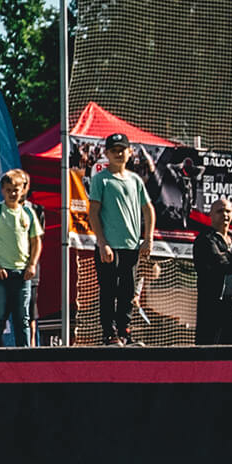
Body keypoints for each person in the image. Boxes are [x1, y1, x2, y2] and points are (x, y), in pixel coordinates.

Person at [85, 133, 155, 345]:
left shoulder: (135, 180)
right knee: (108, 290)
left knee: (127, 290)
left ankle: (125, 330)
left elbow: (148, 209)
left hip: (131, 245)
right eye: (113, 150)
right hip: (109, 246)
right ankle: (109, 332)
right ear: (106, 154)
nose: (118, 154)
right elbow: (93, 212)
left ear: (130, 152)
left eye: (121, 149)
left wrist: (148, 238)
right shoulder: (101, 179)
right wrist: (102, 242)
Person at [0, 168, 43, 347]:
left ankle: (24, 358)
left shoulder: (28, 213)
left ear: (23, 190)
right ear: (2, 191)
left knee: (23, 319)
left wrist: (32, 265)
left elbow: (36, 241)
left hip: (22, 274)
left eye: (16, 189)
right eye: (8, 190)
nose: (12, 193)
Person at [191, 196, 232, 345]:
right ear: (211, 215)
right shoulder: (205, 239)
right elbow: (219, 263)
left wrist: (230, 256)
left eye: (228, 211)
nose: (225, 215)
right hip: (214, 306)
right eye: (220, 211)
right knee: (210, 349)